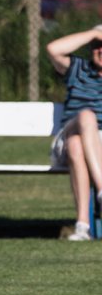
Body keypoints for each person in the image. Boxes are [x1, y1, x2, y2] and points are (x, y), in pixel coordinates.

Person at [46, 25, 102, 240]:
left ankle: (82, 226)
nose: (101, 50)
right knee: (86, 116)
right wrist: (94, 34)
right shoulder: (78, 68)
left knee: (76, 145)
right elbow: (53, 49)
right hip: (65, 136)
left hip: (93, 145)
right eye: (98, 46)